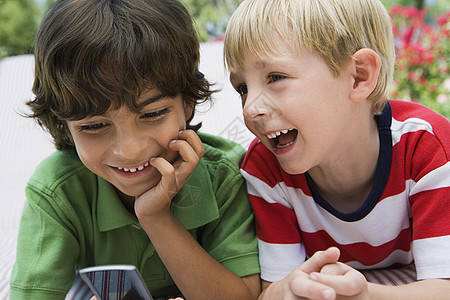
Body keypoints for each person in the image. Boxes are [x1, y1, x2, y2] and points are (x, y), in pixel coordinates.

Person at [9, 0, 261, 299]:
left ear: (188, 102)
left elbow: (244, 296)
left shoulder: (227, 177)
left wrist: (156, 217)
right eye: (93, 126)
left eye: (152, 114)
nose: (130, 150)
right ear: (63, 124)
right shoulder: (58, 191)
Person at [223, 0, 450, 299]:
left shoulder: (425, 146)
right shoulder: (265, 168)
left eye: (275, 77)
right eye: (242, 88)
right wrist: (288, 291)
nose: (250, 109)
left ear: (358, 77)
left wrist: (365, 295)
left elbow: (443, 287)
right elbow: (272, 290)